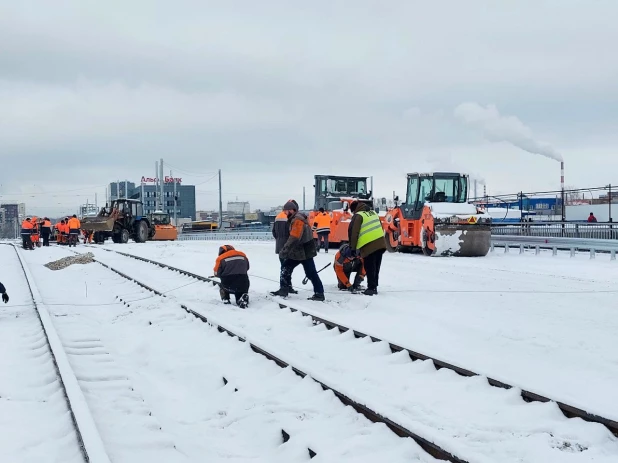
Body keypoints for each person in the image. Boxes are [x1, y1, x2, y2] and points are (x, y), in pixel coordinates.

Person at [271, 199, 325, 301]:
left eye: (286, 211)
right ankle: (319, 293)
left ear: (291, 210)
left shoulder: (297, 220)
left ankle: (285, 289)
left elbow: (294, 237)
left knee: (287, 268)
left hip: (301, 251)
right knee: (307, 272)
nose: (285, 213)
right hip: (304, 251)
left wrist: (285, 250)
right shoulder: (298, 218)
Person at [348, 200, 386, 296]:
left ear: (354, 209)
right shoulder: (373, 213)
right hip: (380, 243)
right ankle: (374, 286)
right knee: (376, 266)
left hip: (368, 245)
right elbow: (380, 226)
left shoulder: (358, 216)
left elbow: (354, 232)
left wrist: (353, 248)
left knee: (369, 267)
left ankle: (371, 288)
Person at [272, 206, 297, 294]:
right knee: (287, 268)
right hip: (288, 246)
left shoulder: (277, 217)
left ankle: (285, 287)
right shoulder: (290, 218)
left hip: (279, 246)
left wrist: (279, 240)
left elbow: (274, 232)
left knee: (284, 267)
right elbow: (293, 233)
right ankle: (287, 287)